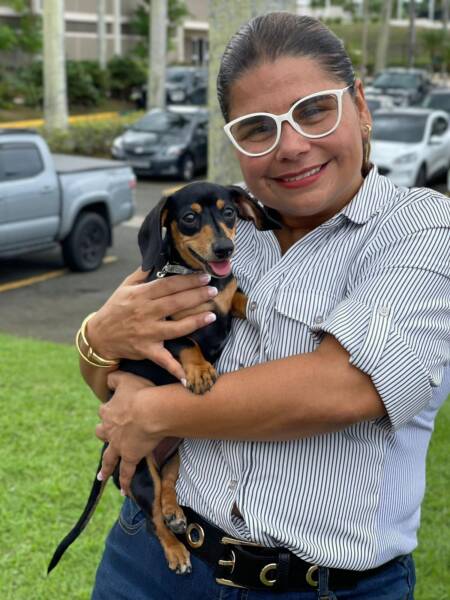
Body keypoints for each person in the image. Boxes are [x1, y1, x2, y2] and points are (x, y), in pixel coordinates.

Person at [78, 12, 450, 600]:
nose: (292, 146)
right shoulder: (225, 226)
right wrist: (96, 338)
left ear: (359, 104)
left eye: (313, 110)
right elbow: (111, 364)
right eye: (257, 128)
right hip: (148, 562)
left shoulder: (420, 227)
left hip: (323, 587)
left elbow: (345, 387)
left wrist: (152, 413)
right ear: (235, 142)